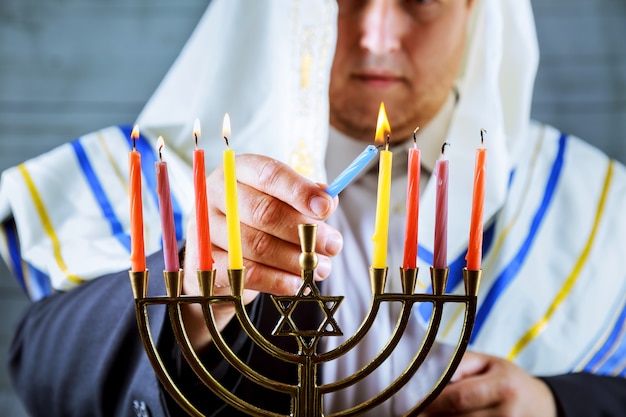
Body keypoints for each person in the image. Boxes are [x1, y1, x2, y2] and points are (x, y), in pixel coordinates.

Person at [2, 0, 626, 416]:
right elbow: (42, 369)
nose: (378, 35)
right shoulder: (172, 174)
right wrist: (190, 296)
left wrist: (557, 403)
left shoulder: (586, 199)